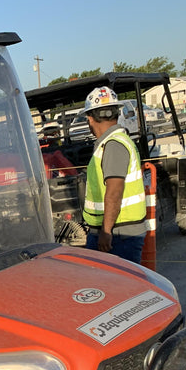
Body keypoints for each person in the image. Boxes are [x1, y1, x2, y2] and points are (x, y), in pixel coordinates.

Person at [81, 86, 147, 264]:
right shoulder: (115, 142)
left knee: (113, 287)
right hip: (118, 232)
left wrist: (106, 231)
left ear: (90, 118)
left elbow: (114, 191)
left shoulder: (113, 146)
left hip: (119, 235)